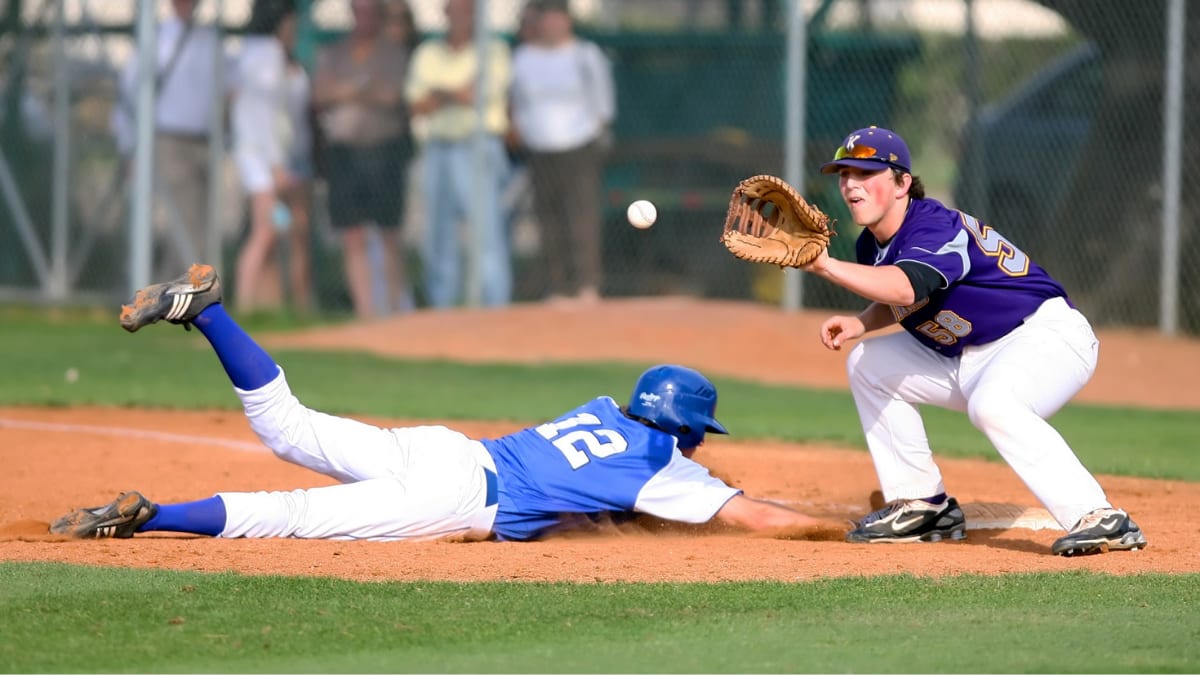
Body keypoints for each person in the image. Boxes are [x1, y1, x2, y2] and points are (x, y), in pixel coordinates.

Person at [49, 264, 842, 543]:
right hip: (456, 494)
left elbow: (595, 492)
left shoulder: (604, 408)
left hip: (445, 448)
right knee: (288, 513)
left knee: (285, 425)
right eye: (697, 436)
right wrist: (846, 527)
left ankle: (209, 311)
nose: (698, 449)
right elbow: (757, 517)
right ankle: (150, 517)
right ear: (683, 430)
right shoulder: (658, 466)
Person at [803, 126, 1147, 556]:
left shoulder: (934, 226)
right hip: (969, 355)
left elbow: (910, 286)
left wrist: (824, 266)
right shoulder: (870, 245)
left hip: (1044, 336)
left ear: (902, 183)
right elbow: (908, 296)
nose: (850, 183)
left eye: (865, 172)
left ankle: (1099, 516)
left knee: (994, 405)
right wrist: (862, 323)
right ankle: (923, 506)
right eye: (843, 173)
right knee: (867, 363)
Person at [110, 0, 233, 279]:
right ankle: (181, 292)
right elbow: (129, 95)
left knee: (202, 224)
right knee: (185, 223)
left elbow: (226, 88)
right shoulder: (157, 39)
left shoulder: (209, 40)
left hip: (205, 141)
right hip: (170, 141)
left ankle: (176, 291)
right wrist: (129, 146)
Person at [406, 0, 513, 308]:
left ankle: (494, 308)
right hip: (438, 146)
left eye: (468, 9)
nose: (461, 15)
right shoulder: (428, 53)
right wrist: (456, 93)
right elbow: (417, 105)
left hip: (478, 146)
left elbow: (477, 95)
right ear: (445, 12)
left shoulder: (494, 50)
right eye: (455, 8)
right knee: (438, 235)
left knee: (486, 233)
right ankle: (442, 310)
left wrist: (439, 93)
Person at [508, 0, 615, 303]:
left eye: (559, 18)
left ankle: (586, 285)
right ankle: (557, 287)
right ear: (539, 23)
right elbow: (516, 103)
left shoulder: (585, 55)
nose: (553, 24)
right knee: (547, 218)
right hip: (539, 148)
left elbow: (603, 103)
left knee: (581, 216)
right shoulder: (524, 58)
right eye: (547, 18)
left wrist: (594, 132)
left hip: (579, 145)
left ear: (568, 21)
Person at [311, 0, 412, 318]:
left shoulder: (393, 53)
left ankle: (395, 309)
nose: (363, 17)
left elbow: (391, 95)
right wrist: (362, 88)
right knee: (351, 233)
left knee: (388, 233)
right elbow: (319, 95)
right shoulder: (335, 52)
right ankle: (366, 312)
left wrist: (344, 91)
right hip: (343, 154)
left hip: (382, 152)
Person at [231, 0, 313, 314]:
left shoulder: (256, 54)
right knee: (265, 232)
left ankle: (267, 306)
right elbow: (266, 117)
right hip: (262, 159)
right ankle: (245, 303)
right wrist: (277, 165)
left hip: (268, 156)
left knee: (278, 230)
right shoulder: (267, 55)